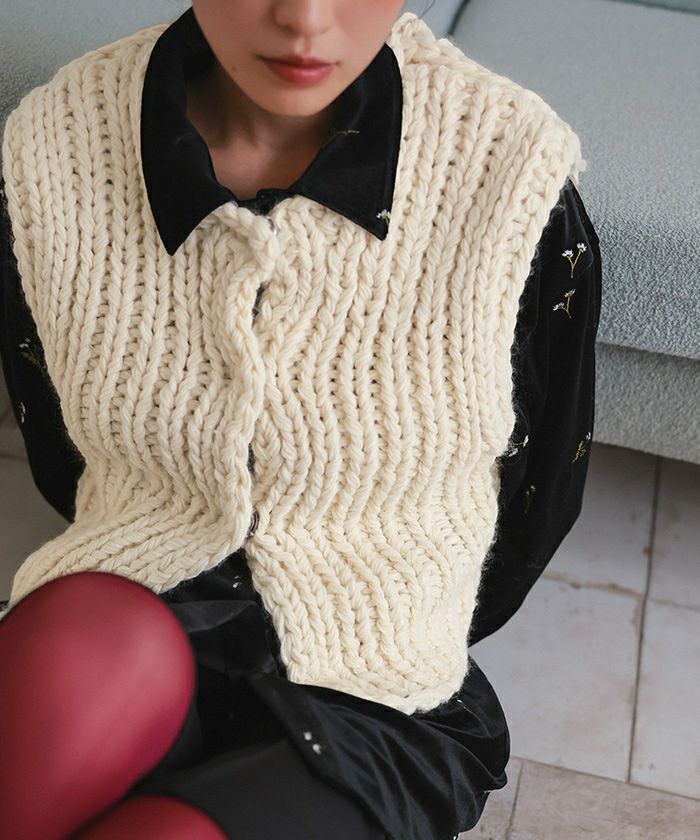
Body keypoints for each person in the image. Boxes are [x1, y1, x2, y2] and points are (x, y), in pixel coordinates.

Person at [0, 2, 602, 838]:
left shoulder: (510, 174)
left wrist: (398, 604)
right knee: (73, 671)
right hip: (126, 609)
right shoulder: (54, 144)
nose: (305, 17)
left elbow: (538, 495)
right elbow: (55, 438)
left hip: (375, 692)